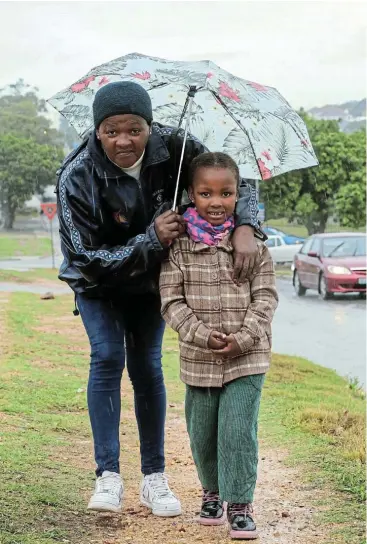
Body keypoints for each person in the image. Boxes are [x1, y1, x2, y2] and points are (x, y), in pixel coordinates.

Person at [56, 81, 264, 517]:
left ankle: (155, 478)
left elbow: (231, 179)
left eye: (135, 128)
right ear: (97, 132)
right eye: (112, 130)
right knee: (108, 357)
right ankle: (108, 476)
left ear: (150, 126)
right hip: (99, 283)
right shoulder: (75, 174)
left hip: (151, 282)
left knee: (147, 365)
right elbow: (83, 256)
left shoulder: (178, 145)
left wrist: (247, 226)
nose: (124, 140)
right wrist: (149, 239)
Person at [160, 152, 278, 539]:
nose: (216, 202)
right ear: (191, 194)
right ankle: (211, 492)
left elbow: (266, 299)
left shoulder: (253, 245)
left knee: (237, 430)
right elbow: (170, 302)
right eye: (205, 193)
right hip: (199, 359)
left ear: (237, 194)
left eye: (226, 193)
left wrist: (243, 338)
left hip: (247, 358)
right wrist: (199, 334)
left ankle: (240, 503)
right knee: (203, 431)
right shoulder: (178, 248)